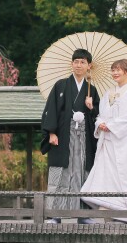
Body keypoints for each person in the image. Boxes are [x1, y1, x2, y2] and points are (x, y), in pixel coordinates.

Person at [80, 58, 127, 223]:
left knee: (122, 174)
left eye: (119, 70)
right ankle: (108, 207)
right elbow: (101, 115)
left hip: (124, 142)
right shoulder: (107, 93)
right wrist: (100, 123)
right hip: (109, 141)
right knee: (107, 175)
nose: (115, 73)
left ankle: (123, 210)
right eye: (113, 70)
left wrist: (111, 125)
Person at [40, 49, 100, 222]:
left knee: (83, 173)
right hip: (63, 136)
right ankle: (55, 215)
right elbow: (50, 109)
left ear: (89, 66)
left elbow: (99, 116)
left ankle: (84, 215)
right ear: (72, 64)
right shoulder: (60, 85)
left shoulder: (92, 90)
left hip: (84, 138)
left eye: (82, 62)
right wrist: (51, 132)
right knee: (61, 174)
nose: (78, 65)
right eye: (76, 62)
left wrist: (91, 108)